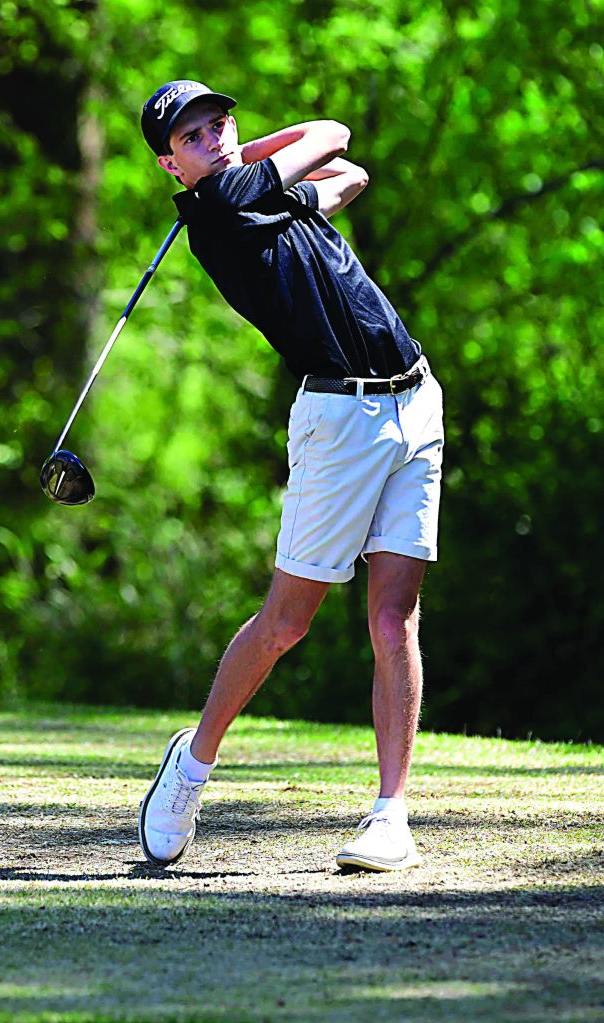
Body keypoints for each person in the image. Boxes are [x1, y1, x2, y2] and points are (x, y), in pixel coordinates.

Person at [137, 80, 444, 872]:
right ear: (171, 166)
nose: (214, 137)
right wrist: (245, 160)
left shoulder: (256, 196)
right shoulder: (220, 206)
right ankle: (191, 766)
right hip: (339, 420)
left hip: (416, 400)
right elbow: (332, 134)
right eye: (192, 137)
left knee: (393, 619)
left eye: (219, 123)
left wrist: (250, 160)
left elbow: (351, 176)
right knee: (286, 621)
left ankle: (391, 814)